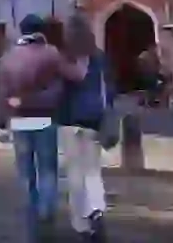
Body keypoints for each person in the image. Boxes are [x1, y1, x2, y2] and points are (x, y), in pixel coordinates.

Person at [0, 14, 89, 241]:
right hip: (45, 118)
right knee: (47, 170)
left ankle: (32, 216)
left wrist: (1, 122)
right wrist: (82, 61)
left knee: (26, 172)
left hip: (19, 120)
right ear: (41, 31)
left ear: (21, 31)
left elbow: (2, 94)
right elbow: (76, 76)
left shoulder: (8, 57)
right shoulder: (50, 53)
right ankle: (46, 211)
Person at [58, 13, 113, 241]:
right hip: (93, 119)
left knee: (75, 173)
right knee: (92, 170)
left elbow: (59, 91)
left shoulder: (64, 57)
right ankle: (97, 210)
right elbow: (109, 87)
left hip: (70, 120)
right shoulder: (99, 57)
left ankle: (81, 223)